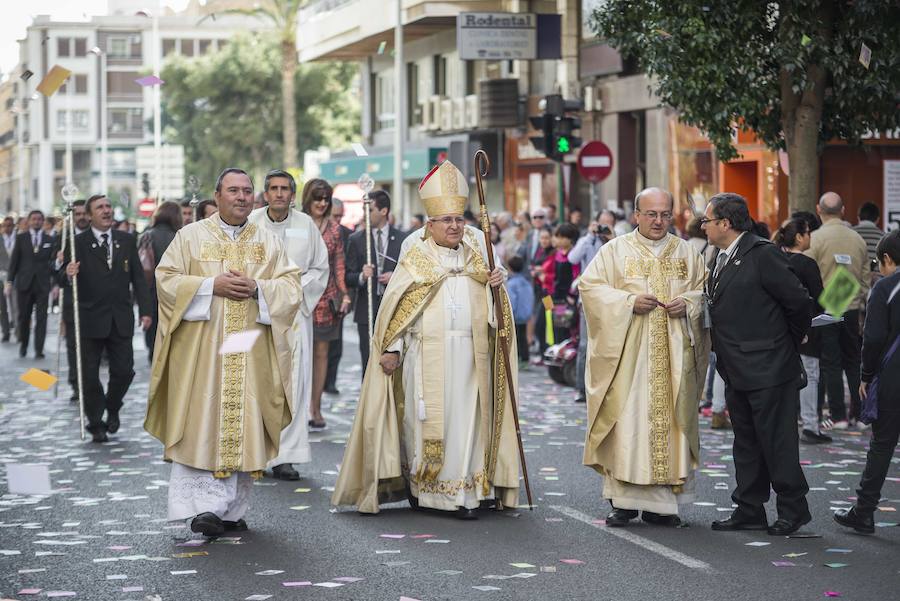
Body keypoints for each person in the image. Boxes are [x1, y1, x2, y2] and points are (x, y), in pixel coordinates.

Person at [332, 160, 520, 518]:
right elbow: (399, 308)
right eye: (446, 220)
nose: (454, 226)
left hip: (471, 357)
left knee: (469, 425)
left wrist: (497, 287)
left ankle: (467, 491)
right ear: (429, 224)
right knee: (426, 422)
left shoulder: (478, 256)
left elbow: (498, 311)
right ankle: (427, 490)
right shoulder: (415, 256)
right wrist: (392, 348)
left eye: (459, 219)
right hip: (425, 354)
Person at [145, 168, 302, 537]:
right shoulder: (190, 237)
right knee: (201, 420)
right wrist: (208, 285)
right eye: (234, 190)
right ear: (217, 196)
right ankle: (202, 509)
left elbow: (291, 288)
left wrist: (259, 289)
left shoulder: (268, 241)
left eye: (247, 191)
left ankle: (230, 509)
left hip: (249, 352)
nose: (242, 197)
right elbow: (165, 280)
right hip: (203, 354)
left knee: (244, 420)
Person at [579, 187, 708, 527]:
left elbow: (706, 292)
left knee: (671, 424)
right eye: (651, 214)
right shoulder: (615, 251)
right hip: (629, 362)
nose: (658, 220)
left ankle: (661, 506)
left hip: (673, 361)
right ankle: (622, 502)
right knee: (627, 423)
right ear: (636, 215)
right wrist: (627, 303)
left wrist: (690, 304)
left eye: (665, 214)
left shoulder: (687, 253)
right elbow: (590, 288)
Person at [703, 192, 813, 536]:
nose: (702, 226)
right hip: (735, 366)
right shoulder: (717, 258)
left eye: (707, 220)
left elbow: (798, 302)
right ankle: (749, 507)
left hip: (770, 366)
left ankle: (793, 509)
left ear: (725, 223)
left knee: (777, 442)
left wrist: (785, 344)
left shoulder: (762, 254)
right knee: (746, 442)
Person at [249, 169, 329, 480]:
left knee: (294, 383)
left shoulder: (305, 225)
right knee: (258, 381)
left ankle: (287, 455)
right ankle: (256, 451)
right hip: (256, 312)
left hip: (295, 316)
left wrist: (292, 293)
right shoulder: (251, 224)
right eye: (274, 188)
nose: (280, 193)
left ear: (292, 195)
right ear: (265, 194)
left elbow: (319, 269)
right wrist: (262, 292)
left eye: (285, 189)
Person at [61, 195, 152, 442]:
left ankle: (112, 407)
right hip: (90, 318)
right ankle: (95, 421)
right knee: (89, 375)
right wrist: (67, 273)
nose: (106, 211)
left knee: (124, 371)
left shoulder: (126, 240)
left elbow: (138, 278)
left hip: (120, 317)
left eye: (108, 206)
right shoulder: (77, 241)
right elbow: (60, 277)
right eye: (100, 207)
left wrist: (145, 310)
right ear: (89, 215)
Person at [833, 231, 900, 535]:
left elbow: (872, 339)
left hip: (892, 377)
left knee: (882, 444)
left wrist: (866, 375)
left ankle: (864, 510)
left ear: (887, 259)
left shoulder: (885, 287)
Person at [805, 192, 870, 429]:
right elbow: (865, 278)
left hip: (825, 308)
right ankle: (861, 415)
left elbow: (807, 273)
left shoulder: (815, 239)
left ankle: (838, 414)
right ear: (843, 210)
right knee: (853, 361)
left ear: (818, 210)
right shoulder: (857, 239)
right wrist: (856, 299)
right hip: (851, 307)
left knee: (830, 362)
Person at [774, 218, 831, 444]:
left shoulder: (774, 259)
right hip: (807, 328)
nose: (810, 237)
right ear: (799, 237)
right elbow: (820, 298)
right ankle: (809, 424)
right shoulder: (807, 264)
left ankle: (782, 424)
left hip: (777, 329)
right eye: (807, 233)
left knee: (780, 377)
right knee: (810, 375)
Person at [303, 179, 351, 429]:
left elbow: (339, 265)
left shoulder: (334, 229)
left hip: (325, 298)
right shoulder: (296, 224)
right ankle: (297, 407)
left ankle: (316, 407)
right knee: (299, 353)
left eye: (326, 199)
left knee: (321, 354)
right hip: (298, 297)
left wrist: (344, 294)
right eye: (317, 198)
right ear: (308, 199)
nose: (322, 203)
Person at [345, 189, 406, 371]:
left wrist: (395, 277)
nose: (365, 215)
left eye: (369, 210)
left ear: (384, 211)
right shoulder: (356, 239)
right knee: (368, 360)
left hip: (393, 310)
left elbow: (411, 274)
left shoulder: (404, 239)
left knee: (393, 360)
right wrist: (362, 276)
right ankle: (369, 398)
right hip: (366, 309)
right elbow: (348, 277)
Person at [54, 200, 90, 400]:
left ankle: (89, 383)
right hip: (71, 301)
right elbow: (55, 273)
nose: (81, 217)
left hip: (94, 302)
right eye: (77, 214)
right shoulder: (63, 238)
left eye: (84, 213)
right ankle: (76, 384)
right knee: (73, 346)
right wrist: (59, 262)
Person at [7, 210, 54, 359]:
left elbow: (52, 263)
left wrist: (56, 284)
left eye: (39, 219)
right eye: (34, 219)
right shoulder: (21, 238)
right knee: (24, 317)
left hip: (42, 284)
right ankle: (24, 345)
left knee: (42, 319)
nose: (36, 222)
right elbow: (14, 261)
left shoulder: (50, 239)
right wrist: (9, 281)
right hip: (24, 284)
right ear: (28, 221)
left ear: (43, 221)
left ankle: (39, 349)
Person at [140, 201, 182, 364]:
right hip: (177, 292)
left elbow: (143, 267)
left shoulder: (147, 236)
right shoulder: (181, 236)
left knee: (154, 337)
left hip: (153, 292)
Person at [323, 197, 352, 395]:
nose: (338, 221)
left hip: (337, 297)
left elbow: (347, 268)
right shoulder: (315, 230)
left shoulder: (348, 235)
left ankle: (330, 381)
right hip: (315, 296)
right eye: (335, 216)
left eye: (341, 217)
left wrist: (346, 296)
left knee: (336, 343)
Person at [506, 255, 532, 365]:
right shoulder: (526, 282)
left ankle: (517, 359)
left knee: (515, 338)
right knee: (522, 337)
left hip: (515, 315)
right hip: (525, 314)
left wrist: (509, 312)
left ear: (510, 268)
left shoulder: (511, 284)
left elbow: (512, 301)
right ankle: (525, 359)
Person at [1, 216, 19, 342]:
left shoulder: (19, 239)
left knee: (16, 305)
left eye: (9, 225)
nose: (7, 228)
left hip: (16, 276)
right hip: (1, 276)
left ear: (13, 226)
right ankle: (6, 331)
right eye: (5, 225)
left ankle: (18, 332)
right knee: (2, 306)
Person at [853, 201, 884, 266]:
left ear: (858, 217)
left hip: (854, 275)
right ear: (878, 219)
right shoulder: (884, 237)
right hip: (878, 276)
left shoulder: (849, 233)